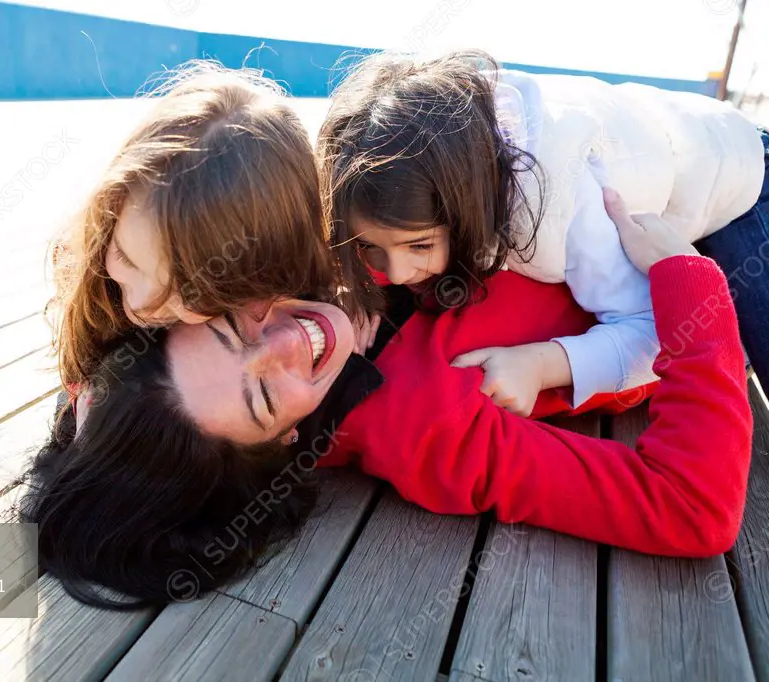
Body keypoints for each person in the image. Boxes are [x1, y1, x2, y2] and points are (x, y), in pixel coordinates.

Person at [19, 189, 753, 609]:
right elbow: (692, 507)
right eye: (264, 395)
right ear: (278, 449)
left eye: (232, 326)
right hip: (723, 241)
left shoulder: (299, 235)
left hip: (671, 160)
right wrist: (689, 281)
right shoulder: (430, 430)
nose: (289, 340)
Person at [318, 50, 769, 417]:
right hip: (665, 143)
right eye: (369, 248)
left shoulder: (559, 208)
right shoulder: (449, 147)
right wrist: (352, 294)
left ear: (469, 206)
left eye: (419, 245)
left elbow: (660, 335)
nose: (395, 273)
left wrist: (541, 365)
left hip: (742, 172)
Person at [49, 61, 361, 413]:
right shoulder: (93, 273)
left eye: (184, 292)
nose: (136, 303)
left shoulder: (298, 329)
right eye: (124, 256)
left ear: (259, 275)